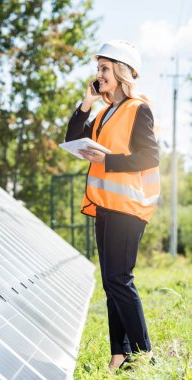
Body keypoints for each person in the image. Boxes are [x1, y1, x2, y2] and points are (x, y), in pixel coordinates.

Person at [65, 40, 160, 370]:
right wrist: (85, 105)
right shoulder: (104, 113)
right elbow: (73, 140)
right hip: (105, 207)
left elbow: (149, 157)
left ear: (121, 72)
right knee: (111, 283)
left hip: (128, 207)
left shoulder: (138, 109)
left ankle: (144, 356)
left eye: (104, 68)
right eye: (98, 69)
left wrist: (107, 160)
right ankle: (119, 356)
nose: (99, 74)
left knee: (120, 279)